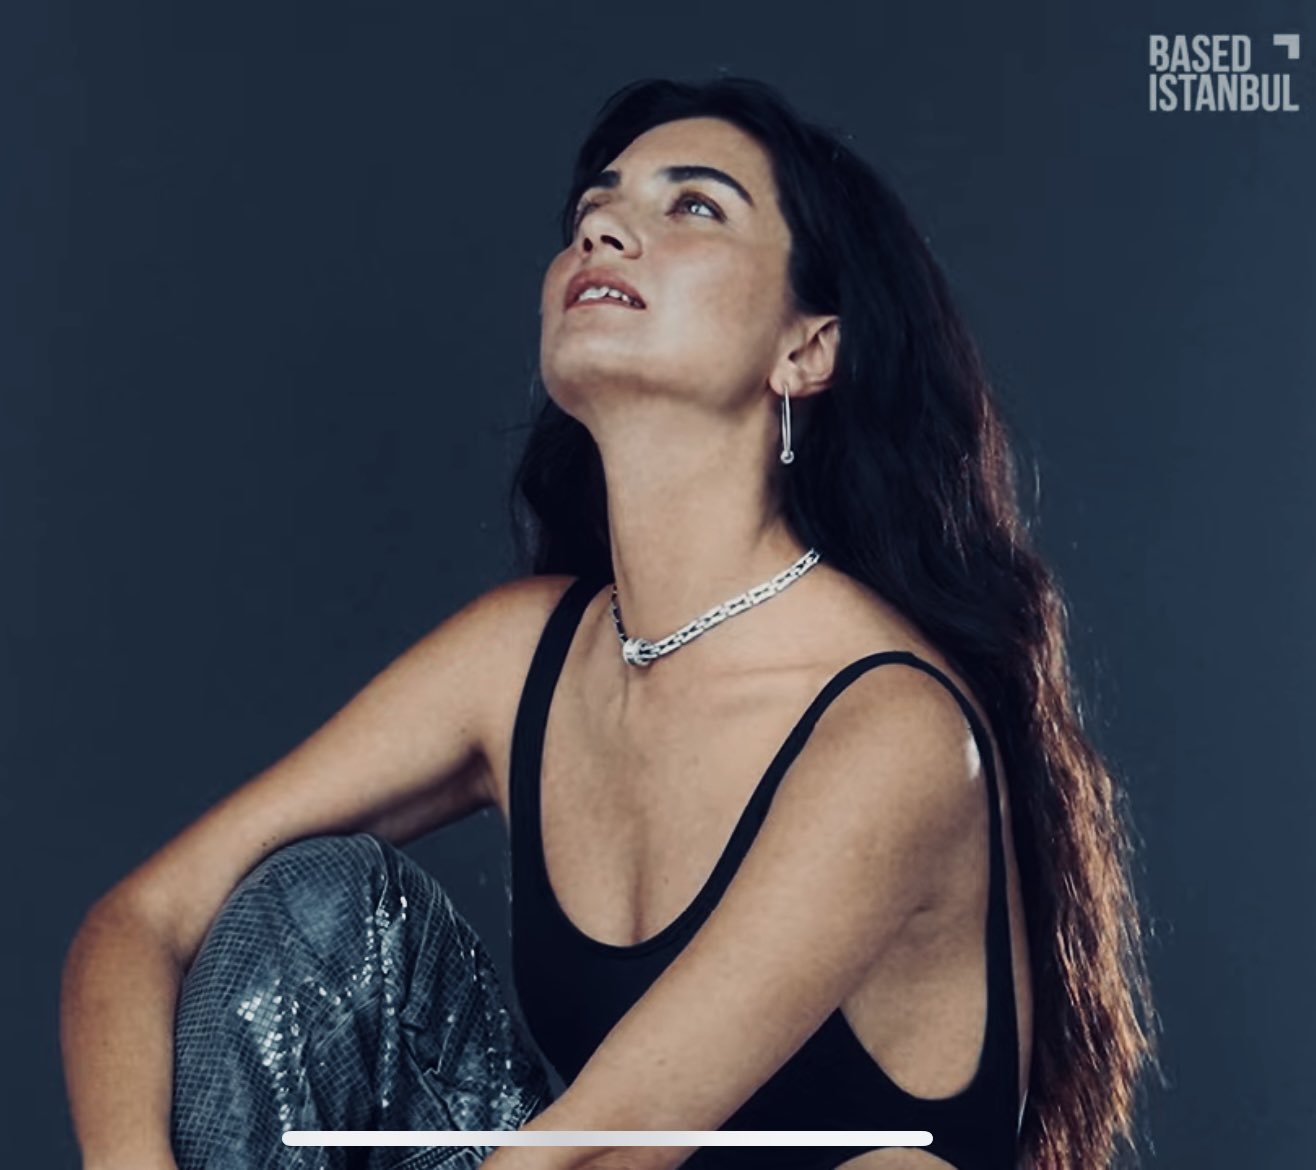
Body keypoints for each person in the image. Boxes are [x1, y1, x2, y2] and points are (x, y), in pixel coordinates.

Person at [60, 76, 1160, 1170]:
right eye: (595, 208)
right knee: (314, 912)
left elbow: (602, 1153)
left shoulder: (894, 734)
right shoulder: (522, 658)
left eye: (694, 206)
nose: (604, 229)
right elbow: (142, 921)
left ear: (806, 349)